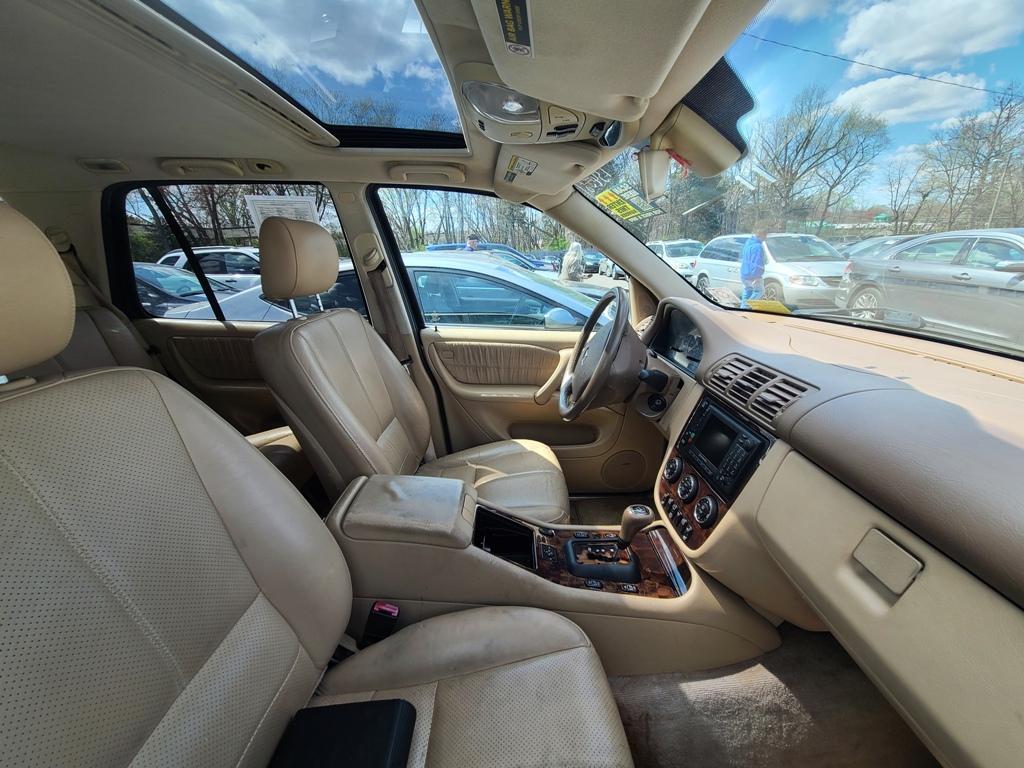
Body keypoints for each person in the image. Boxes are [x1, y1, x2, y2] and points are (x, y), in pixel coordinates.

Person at [740, 228, 767, 307]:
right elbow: (757, 262)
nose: (765, 238)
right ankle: (748, 307)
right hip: (753, 275)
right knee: (759, 291)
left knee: (748, 291)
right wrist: (756, 275)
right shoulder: (757, 246)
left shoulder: (748, 243)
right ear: (762, 235)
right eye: (765, 236)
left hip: (744, 273)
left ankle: (743, 308)